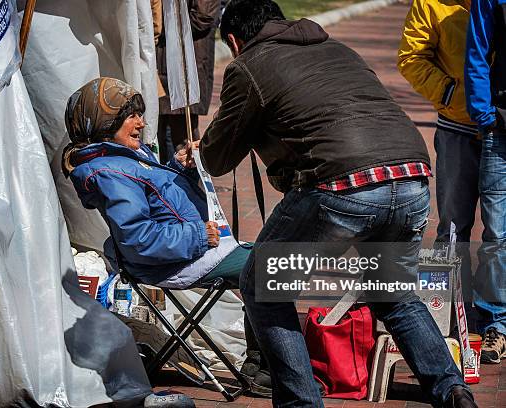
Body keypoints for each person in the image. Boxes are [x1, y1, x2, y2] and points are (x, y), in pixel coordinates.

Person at [199, 1, 476, 406]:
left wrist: (205, 147)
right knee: (394, 294)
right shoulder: (338, 48)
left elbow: (217, 157)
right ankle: (452, 391)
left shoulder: (249, 65)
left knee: (262, 286)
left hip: (344, 185)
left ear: (235, 41)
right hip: (412, 175)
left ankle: (302, 402)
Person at [62, 77, 271, 396]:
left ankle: (261, 364)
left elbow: (159, 203)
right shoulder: (111, 172)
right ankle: (269, 367)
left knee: (270, 260)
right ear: (106, 122)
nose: (141, 123)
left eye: (139, 114)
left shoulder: (124, 159)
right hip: (174, 260)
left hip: (190, 250)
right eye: (130, 115)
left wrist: (181, 167)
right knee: (272, 266)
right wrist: (198, 235)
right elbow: (139, 239)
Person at [398, 0, 479, 303]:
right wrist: (451, 94)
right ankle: (446, 305)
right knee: (454, 224)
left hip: (502, 124)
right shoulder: (431, 3)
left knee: (500, 228)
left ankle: (496, 311)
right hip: (458, 126)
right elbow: (411, 57)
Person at [464, 0, 506, 365]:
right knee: (497, 235)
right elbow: (477, 50)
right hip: (501, 128)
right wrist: (485, 115)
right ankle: (496, 321)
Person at [156, 0, 220, 163]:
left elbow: (203, 17)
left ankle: (187, 186)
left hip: (184, 65)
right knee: (161, 134)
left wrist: (155, 23)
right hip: (163, 63)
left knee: (182, 138)